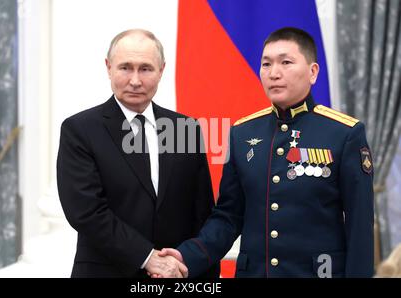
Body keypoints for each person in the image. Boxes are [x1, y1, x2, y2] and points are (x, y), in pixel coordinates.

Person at [154, 27, 374, 278]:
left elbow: (360, 227)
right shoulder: (242, 133)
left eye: (286, 62)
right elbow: (228, 216)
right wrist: (187, 256)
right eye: (266, 64)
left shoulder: (344, 134)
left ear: (313, 72)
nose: (274, 73)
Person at [57, 29, 219, 278]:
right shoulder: (80, 129)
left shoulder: (185, 128)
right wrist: (147, 257)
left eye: (145, 69)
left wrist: (197, 271)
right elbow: (86, 212)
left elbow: (202, 213)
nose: (135, 80)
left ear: (161, 70)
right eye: (125, 68)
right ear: (108, 67)